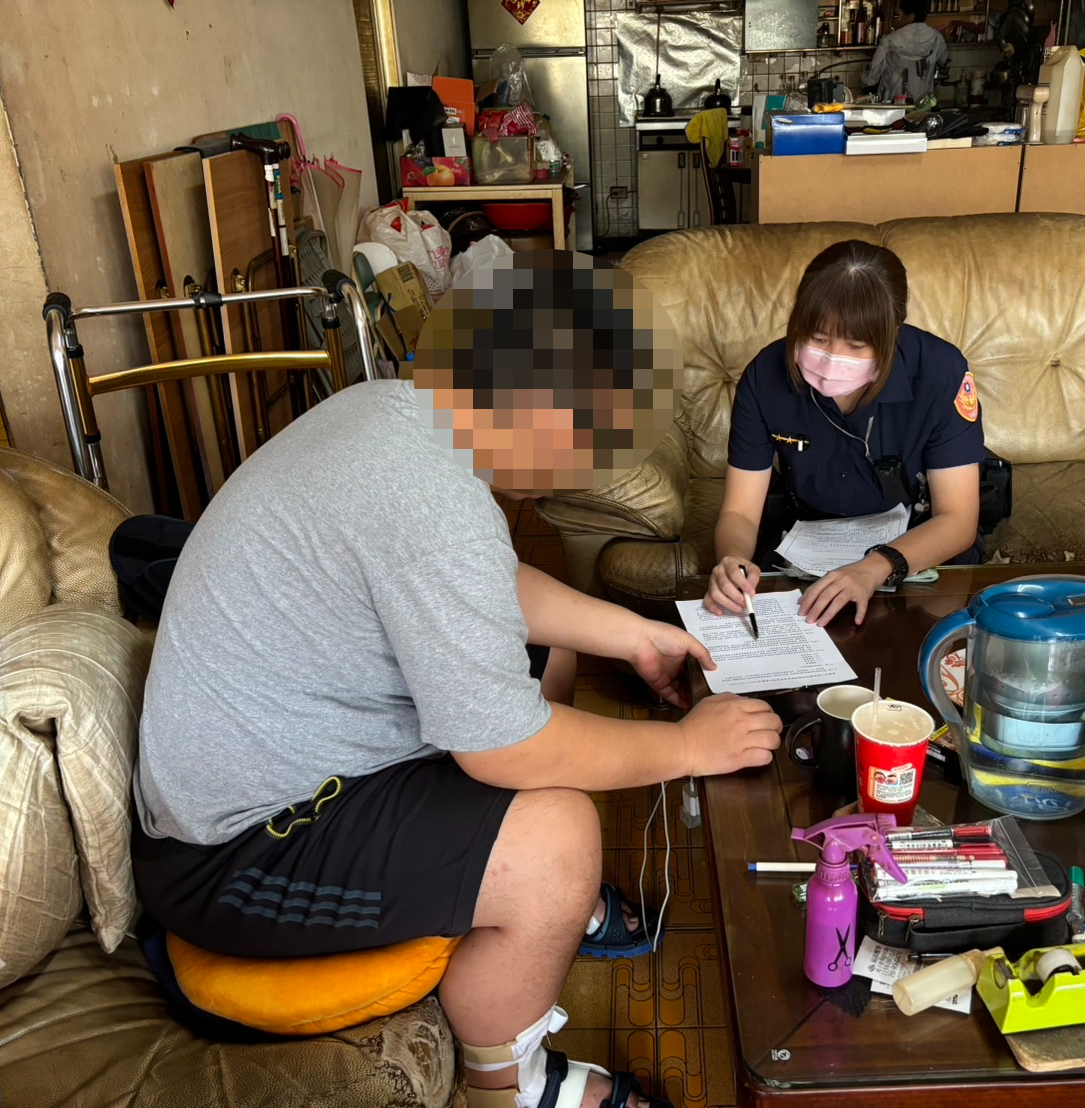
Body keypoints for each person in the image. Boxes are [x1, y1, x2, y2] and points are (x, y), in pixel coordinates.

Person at [131, 256, 783, 1108]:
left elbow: (482, 584)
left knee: (546, 658)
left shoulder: (393, 414)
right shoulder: (430, 498)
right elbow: (505, 749)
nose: (590, 470)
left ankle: (518, 904)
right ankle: (512, 1083)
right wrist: (687, 749)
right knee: (559, 841)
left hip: (300, 762)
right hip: (233, 852)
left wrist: (631, 635)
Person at [703, 239, 985, 629]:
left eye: (856, 345)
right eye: (818, 339)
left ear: (893, 332)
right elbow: (739, 512)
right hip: (805, 541)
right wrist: (732, 561)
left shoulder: (941, 372)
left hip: (912, 548)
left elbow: (957, 519)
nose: (832, 358)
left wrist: (874, 567)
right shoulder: (765, 376)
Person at [862, 0, 949, 103]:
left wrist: (863, 80)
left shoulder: (889, 40)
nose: (899, 18)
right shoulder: (937, 39)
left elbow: (871, 78)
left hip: (893, 105)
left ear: (912, 15)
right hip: (924, 105)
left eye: (902, 13)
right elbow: (944, 63)